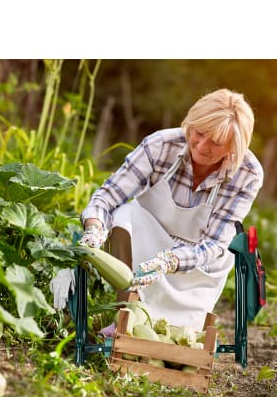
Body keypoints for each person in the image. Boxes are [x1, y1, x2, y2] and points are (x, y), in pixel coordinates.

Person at [79, 88, 264, 332]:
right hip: (148, 241)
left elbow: (215, 243)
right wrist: (94, 228)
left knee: (175, 336)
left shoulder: (247, 174)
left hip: (197, 261)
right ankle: (124, 312)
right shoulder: (161, 145)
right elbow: (108, 197)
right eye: (198, 132)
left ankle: (177, 328)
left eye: (216, 143)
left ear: (233, 147)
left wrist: (171, 260)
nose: (201, 145)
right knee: (125, 215)